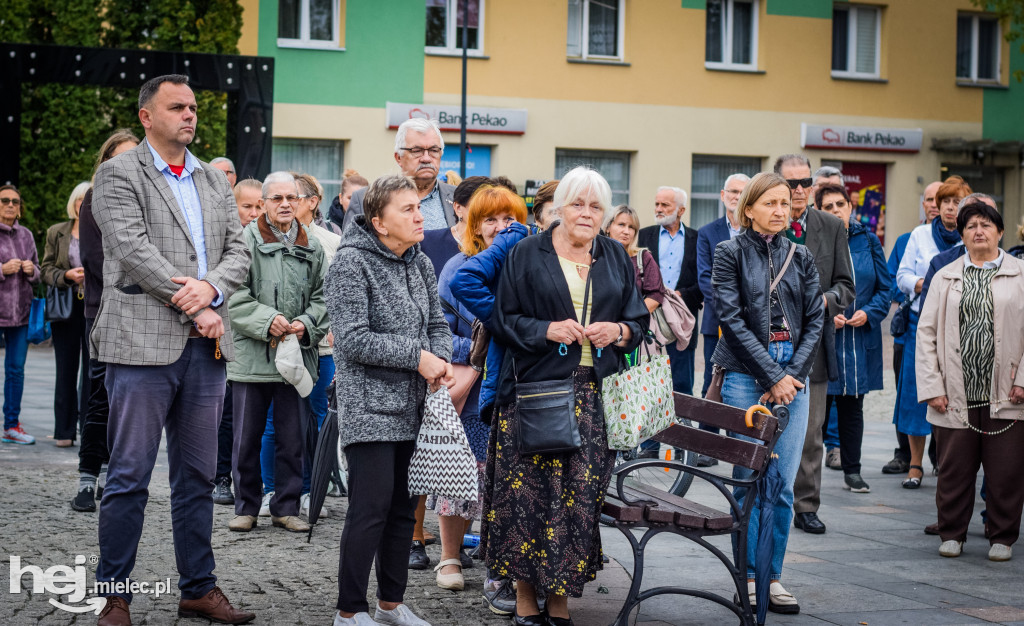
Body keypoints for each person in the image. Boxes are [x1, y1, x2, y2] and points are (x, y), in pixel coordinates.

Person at [90, 74, 253, 626]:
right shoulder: (117, 174)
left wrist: (213, 290)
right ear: (146, 116)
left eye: (193, 107)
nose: (189, 115)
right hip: (139, 346)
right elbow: (133, 250)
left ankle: (198, 588)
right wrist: (197, 303)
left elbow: (238, 249)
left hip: (204, 351)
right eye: (177, 107)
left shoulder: (210, 177)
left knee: (198, 478)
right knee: (129, 476)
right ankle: (114, 596)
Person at [482, 166, 648, 626]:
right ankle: (523, 598)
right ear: (559, 208)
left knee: (576, 503)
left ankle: (559, 600)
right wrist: (547, 329)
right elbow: (503, 319)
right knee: (526, 499)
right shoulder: (526, 253)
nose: (587, 214)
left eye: (596, 207)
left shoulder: (615, 255)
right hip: (535, 394)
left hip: (594, 398)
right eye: (578, 204)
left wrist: (618, 330)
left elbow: (639, 322)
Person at [326, 173, 454, 626]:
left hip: (417, 404)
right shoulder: (349, 264)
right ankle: (349, 610)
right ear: (379, 222)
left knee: (404, 510)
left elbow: (438, 322)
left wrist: (439, 356)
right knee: (370, 509)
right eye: (408, 210)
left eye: (419, 208)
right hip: (369, 406)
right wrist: (416, 357)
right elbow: (353, 339)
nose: (420, 216)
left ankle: (391, 605)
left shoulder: (419, 262)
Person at [712, 172, 825, 614]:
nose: (781, 210)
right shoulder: (728, 252)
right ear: (750, 207)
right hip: (744, 372)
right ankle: (749, 575)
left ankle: (772, 576)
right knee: (749, 480)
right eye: (771, 203)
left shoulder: (800, 255)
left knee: (782, 484)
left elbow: (815, 319)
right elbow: (731, 318)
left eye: (786, 203)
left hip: (793, 376)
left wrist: (791, 374)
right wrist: (771, 374)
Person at [432, 185, 528, 593]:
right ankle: (449, 556)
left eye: (509, 219)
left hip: (515, 386)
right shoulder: (459, 267)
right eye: (490, 219)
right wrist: (474, 351)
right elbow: (437, 332)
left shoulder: (527, 265)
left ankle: (499, 563)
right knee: (462, 474)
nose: (500, 227)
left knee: (504, 479)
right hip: (470, 387)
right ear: (474, 224)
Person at [916, 201, 1024, 562]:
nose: (979, 230)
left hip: (1008, 393)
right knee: (953, 471)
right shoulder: (945, 276)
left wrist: (1023, 380)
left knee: (1006, 472)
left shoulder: (1021, 274)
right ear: (961, 235)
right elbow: (926, 333)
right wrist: (933, 387)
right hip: (955, 394)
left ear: (1000, 231)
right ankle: (952, 533)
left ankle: (1003, 536)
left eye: (987, 224)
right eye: (971, 225)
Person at [226, 171, 327, 535]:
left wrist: (305, 323)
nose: (285, 205)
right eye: (277, 199)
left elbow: (324, 297)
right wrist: (269, 320)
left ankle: (285, 507)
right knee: (246, 440)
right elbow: (233, 297)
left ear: (301, 202)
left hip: (295, 358)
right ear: (264, 204)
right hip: (252, 358)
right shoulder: (243, 241)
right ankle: (246, 507)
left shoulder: (312, 245)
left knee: (293, 438)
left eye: (291, 198)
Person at [775, 154, 855, 536]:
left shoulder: (830, 226)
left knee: (810, 433)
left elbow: (846, 286)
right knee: (766, 427)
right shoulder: (766, 224)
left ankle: (806, 506)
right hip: (767, 346)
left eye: (805, 183)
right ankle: (769, 497)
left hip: (814, 345)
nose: (798, 191)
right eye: (790, 184)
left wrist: (824, 301)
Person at [72, 128, 140, 513]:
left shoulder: (148, 198)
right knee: (99, 397)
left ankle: (118, 476)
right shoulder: (95, 199)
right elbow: (95, 261)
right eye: (119, 157)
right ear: (106, 162)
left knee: (129, 400)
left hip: (145, 315)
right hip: (103, 311)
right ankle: (87, 478)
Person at [894, 175, 971, 490]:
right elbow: (901, 276)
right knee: (916, 394)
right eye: (946, 202)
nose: (951, 208)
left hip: (959, 326)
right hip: (920, 322)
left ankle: (946, 461)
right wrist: (924, 283)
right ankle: (914, 464)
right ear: (937, 206)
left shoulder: (972, 236)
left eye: (957, 202)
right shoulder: (920, 234)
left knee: (953, 394)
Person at [816, 184, 891, 494]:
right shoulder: (814, 240)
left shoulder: (868, 240)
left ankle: (853, 470)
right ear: (818, 211)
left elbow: (885, 290)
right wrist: (824, 315)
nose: (835, 211)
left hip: (858, 341)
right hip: (822, 339)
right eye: (828, 206)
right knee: (816, 411)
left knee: (852, 407)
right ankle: (806, 477)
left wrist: (870, 312)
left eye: (840, 205)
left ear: (850, 206)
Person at [881, 180, 942, 475]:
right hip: (910, 328)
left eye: (939, 199)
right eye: (929, 199)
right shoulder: (909, 239)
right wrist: (920, 285)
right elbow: (892, 281)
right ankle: (905, 455)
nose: (933, 204)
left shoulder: (963, 238)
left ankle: (937, 457)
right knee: (907, 394)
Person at [637, 186, 702, 399]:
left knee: (682, 381)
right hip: (648, 313)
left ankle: (682, 427)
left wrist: (680, 296)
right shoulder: (644, 235)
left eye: (665, 205)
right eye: (657, 204)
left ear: (681, 210)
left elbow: (703, 280)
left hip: (682, 314)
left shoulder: (697, 238)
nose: (659, 209)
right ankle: (652, 429)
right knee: (647, 377)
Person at [40, 181, 91, 447]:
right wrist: (67, 276)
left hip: (95, 307)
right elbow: (45, 270)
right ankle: (64, 431)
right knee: (66, 370)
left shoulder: (102, 231)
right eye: (80, 200)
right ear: (73, 203)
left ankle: (89, 431)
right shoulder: (56, 232)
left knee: (93, 373)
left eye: (88, 200)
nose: (83, 204)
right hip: (66, 307)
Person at [342, 118, 457, 232]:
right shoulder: (363, 199)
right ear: (398, 158)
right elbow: (351, 247)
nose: (426, 158)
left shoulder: (459, 197)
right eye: (417, 150)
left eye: (433, 150)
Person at [696, 173, 749, 400]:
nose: (737, 197)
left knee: (742, 384)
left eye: (742, 192)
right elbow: (705, 277)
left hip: (750, 323)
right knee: (712, 383)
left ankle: (735, 436)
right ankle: (707, 436)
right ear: (722, 195)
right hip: (715, 321)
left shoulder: (756, 232)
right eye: (733, 192)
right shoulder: (707, 232)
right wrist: (730, 308)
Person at [0, 184, 40, 446]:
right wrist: (2, 269)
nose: (10, 205)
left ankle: (11, 426)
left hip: (21, 315)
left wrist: (30, 270)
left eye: (15, 201)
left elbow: (39, 271)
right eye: (4, 200)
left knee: (16, 371)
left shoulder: (26, 235)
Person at [420, 175, 492, 279]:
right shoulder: (427, 241)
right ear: (458, 208)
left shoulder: (499, 245)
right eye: (480, 206)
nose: (489, 213)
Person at [604, 204, 664, 313]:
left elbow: (656, 295)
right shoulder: (596, 256)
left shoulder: (643, 257)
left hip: (634, 325)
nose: (626, 231)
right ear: (608, 227)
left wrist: (632, 318)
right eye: (621, 224)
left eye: (631, 227)